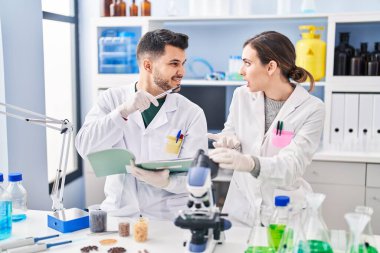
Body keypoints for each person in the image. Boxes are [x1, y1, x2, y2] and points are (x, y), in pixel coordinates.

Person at [76, 29, 208, 220]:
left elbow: (199, 177)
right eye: (174, 64)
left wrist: (167, 182)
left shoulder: (191, 113)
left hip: (169, 218)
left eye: (182, 63)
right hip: (120, 215)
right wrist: (122, 112)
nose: (182, 72)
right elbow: (84, 146)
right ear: (148, 65)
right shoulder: (112, 99)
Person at [208, 31, 325, 227]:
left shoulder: (312, 108)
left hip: (285, 213)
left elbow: (292, 165)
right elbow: (231, 130)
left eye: (247, 63)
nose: (241, 71)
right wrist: (229, 141)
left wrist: (250, 163)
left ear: (271, 67)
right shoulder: (241, 95)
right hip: (241, 210)